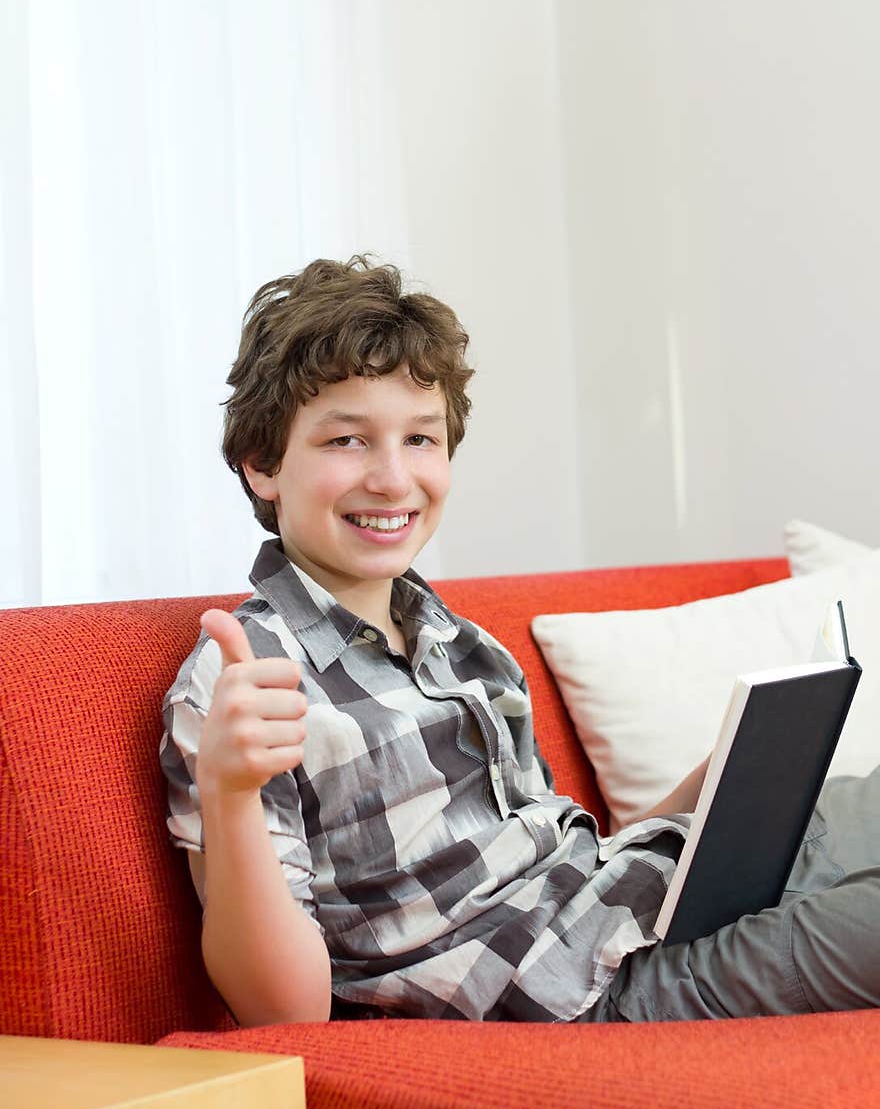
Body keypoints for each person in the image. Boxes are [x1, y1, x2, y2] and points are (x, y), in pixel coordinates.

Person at [160, 255, 880, 1028]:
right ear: (264, 463)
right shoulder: (244, 684)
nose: (395, 478)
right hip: (602, 996)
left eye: (420, 439)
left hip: (644, 902)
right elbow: (283, 1013)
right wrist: (231, 792)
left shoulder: (461, 644)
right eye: (347, 440)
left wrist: (723, 782)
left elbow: (563, 858)